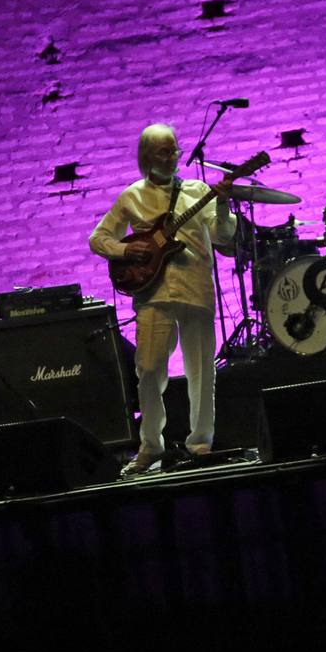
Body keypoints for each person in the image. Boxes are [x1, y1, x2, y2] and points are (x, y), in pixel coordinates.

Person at [89, 123, 234, 476]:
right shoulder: (131, 196)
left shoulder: (198, 191)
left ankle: (200, 442)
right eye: (163, 152)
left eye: (174, 151)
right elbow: (99, 239)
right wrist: (127, 249)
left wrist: (225, 202)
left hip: (196, 289)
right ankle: (151, 444)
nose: (172, 158)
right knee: (149, 368)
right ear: (146, 157)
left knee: (202, 371)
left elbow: (223, 235)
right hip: (152, 293)